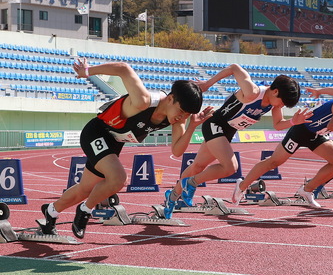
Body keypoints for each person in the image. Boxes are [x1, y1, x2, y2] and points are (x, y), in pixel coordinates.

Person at [39, 59, 211, 238]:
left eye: (186, 115)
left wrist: (192, 126)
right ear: (170, 99)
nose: (181, 117)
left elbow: (177, 151)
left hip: (113, 141)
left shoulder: (179, 119)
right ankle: (85, 210)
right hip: (97, 132)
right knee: (119, 178)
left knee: (85, 188)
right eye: (181, 111)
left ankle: (50, 213)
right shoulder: (144, 101)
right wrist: (87, 71)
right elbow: (124, 68)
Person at [163, 63, 311, 219]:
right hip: (215, 125)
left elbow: (278, 125)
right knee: (230, 167)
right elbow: (234, 68)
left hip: (227, 132)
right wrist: (207, 84)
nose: (281, 106)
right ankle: (190, 183)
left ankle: (172, 197)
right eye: (282, 102)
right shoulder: (252, 92)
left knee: (198, 166)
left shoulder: (273, 105)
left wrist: (293, 122)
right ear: (275, 91)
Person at [233, 88, 333, 208]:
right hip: (301, 131)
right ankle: (241, 185)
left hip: (316, 135)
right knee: (274, 162)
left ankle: (307, 190)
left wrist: (319, 91)